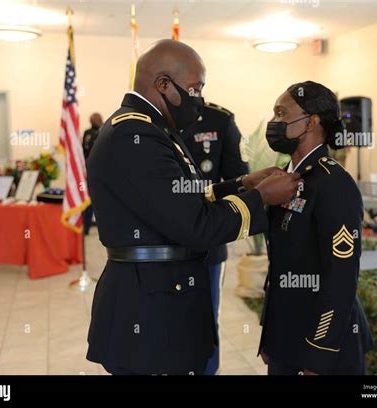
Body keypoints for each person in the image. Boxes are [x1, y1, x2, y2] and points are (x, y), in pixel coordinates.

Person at [86, 39, 301, 375]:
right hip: (150, 310)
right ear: (162, 84)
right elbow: (195, 226)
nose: (198, 99)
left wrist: (241, 185)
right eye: (194, 89)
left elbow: (177, 198)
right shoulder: (135, 135)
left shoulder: (152, 128)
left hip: (160, 297)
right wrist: (261, 199)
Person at [258, 81, 374, 375]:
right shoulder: (289, 178)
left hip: (323, 343)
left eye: (282, 114)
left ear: (311, 122)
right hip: (288, 334)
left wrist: (320, 350)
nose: (275, 122)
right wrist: (271, 336)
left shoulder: (334, 184)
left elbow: (342, 277)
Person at [181, 102, 249, 375]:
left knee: (206, 321)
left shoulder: (219, 120)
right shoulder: (153, 121)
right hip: (161, 245)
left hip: (206, 247)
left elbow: (240, 181)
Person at [82, 113, 103, 235]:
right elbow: (83, 150)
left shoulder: (104, 131)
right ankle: (86, 227)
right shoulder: (88, 133)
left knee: (99, 201)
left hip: (100, 173)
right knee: (89, 200)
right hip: (89, 172)